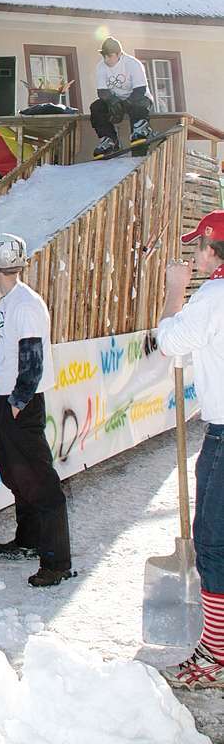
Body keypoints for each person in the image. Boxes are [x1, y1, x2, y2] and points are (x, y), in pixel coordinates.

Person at [0, 231, 73, 587]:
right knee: (16, 475)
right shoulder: (10, 300)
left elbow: (32, 359)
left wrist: (18, 401)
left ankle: (56, 563)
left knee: (40, 482)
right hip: (7, 398)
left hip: (21, 401)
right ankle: (29, 539)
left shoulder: (25, 304)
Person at [156, 211, 224, 690]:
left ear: (212, 249)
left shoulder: (213, 297)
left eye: (198, 248)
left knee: (214, 543)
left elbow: (168, 342)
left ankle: (216, 655)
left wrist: (174, 290)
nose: (193, 256)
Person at [91, 36, 154, 158]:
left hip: (138, 99)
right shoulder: (101, 67)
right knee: (96, 107)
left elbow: (140, 90)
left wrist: (125, 103)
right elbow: (102, 92)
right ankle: (109, 140)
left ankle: (140, 128)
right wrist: (113, 101)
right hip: (116, 101)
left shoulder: (133, 64)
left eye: (110, 56)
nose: (106, 59)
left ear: (119, 54)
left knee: (139, 103)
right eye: (104, 56)